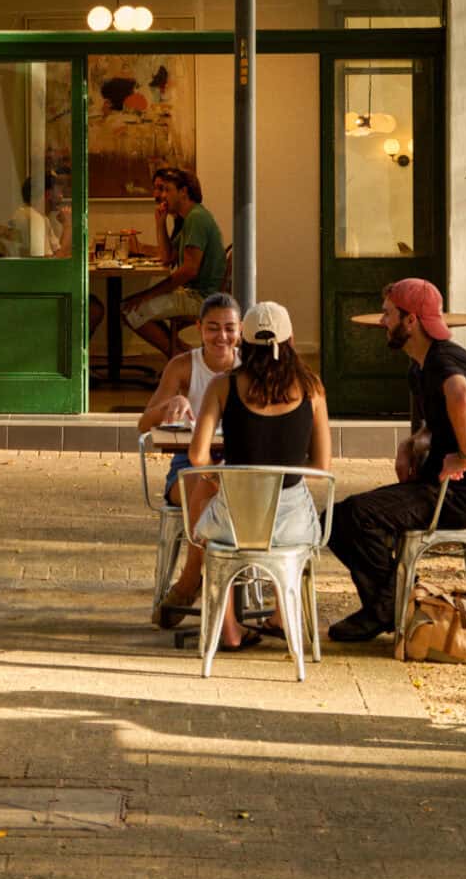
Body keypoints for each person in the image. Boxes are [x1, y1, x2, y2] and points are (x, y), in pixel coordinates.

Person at [327, 278, 466, 643]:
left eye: (388, 314)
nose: (382, 322)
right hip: (438, 485)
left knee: (353, 517)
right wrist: (414, 442)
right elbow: (439, 421)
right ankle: (392, 605)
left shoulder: (443, 361)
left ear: (411, 321)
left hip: (460, 496)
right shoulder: (420, 365)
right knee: (338, 518)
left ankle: (388, 607)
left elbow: (461, 393)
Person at [186, 301, 331, 651]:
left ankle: (230, 630)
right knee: (294, 532)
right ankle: (282, 616)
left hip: (235, 521)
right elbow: (323, 466)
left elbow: (197, 455)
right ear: (291, 340)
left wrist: (220, 479)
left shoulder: (223, 386)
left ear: (242, 343)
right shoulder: (312, 388)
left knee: (209, 532)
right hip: (291, 524)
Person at [141, 294, 243, 622]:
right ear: (198, 329)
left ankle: (189, 581)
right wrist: (170, 406)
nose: (221, 337)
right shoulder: (184, 366)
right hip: (187, 467)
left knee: (222, 486)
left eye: (229, 328)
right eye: (213, 328)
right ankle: (203, 591)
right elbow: (144, 424)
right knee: (209, 486)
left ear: (241, 330)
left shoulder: (248, 368)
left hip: (236, 465)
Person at [122, 167, 228, 358]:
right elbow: (167, 257)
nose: (160, 196)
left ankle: (181, 357)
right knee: (130, 307)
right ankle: (186, 354)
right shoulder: (189, 218)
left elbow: (189, 271)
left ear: (184, 192)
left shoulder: (196, 218)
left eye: (165, 189)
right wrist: (160, 223)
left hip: (200, 298)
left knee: (129, 311)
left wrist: (147, 295)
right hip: (193, 293)